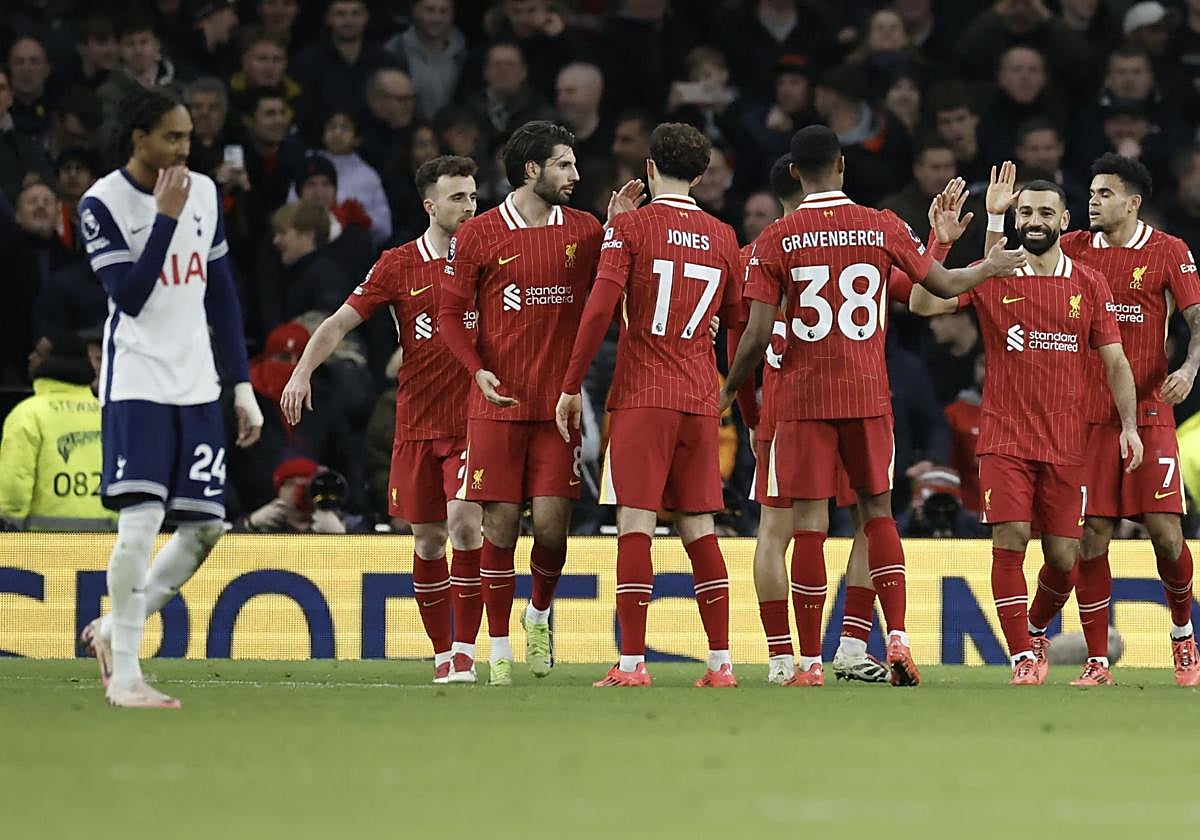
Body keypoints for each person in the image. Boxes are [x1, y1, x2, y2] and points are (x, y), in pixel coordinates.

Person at [720, 125, 1027, 687]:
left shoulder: (770, 243)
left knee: (800, 527)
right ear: (842, 164)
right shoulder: (880, 225)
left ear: (795, 173)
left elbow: (753, 334)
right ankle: (895, 635)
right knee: (877, 513)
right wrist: (985, 263)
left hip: (798, 401)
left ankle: (803, 661)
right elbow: (939, 291)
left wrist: (732, 397)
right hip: (865, 395)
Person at [76, 89, 263, 708]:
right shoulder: (101, 203)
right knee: (140, 523)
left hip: (197, 383)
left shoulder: (203, 192)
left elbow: (221, 294)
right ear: (139, 138)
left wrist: (241, 385)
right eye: (172, 137)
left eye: (188, 137)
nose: (185, 148)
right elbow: (128, 297)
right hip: (137, 381)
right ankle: (127, 673)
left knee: (206, 527)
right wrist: (163, 218)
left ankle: (110, 630)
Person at [436, 121, 641, 686]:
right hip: (497, 405)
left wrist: (619, 229)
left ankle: (539, 614)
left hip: (558, 408)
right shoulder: (479, 233)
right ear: (532, 170)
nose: (575, 174)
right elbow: (449, 315)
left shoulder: (585, 229)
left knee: (552, 529)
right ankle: (499, 648)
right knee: (499, 528)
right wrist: (476, 370)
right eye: (563, 164)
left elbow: (620, 278)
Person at [281, 155, 486, 684]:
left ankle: (466, 652)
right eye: (458, 197)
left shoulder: (489, 257)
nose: (469, 206)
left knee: (466, 526)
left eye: (472, 196)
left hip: (474, 420)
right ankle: (443, 654)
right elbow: (338, 323)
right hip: (416, 421)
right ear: (430, 205)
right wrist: (302, 372)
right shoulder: (397, 264)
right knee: (428, 541)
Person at [998, 155, 1200, 687]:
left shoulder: (1168, 251)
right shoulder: (1073, 249)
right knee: (1089, 540)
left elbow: (1196, 318)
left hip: (1149, 410)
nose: (1093, 201)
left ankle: (1183, 635)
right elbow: (1010, 268)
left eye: (1104, 194)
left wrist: (1189, 367)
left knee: (1166, 534)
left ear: (1133, 203)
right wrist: (998, 219)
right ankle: (1093, 659)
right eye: (1089, 193)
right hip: (1083, 418)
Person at [555, 122, 742, 688]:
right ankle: (721, 663)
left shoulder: (631, 227)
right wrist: (737, 394)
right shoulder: (724, 235)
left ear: (650, 167)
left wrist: (570, 383)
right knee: (700, 526)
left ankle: (633, 662)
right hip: (700, 396)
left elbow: (598, 311)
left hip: (643, 396)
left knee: (634, 523)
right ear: (701, 176)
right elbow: (737, 323)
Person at [973, 163, 1141, 685]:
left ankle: (1034, 630)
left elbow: (1115, 361)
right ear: (1015, 219)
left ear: (1065, 220)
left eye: (1045, 212)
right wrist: (963, 233)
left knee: (1066, 559)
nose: (1035, 221)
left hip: (1067, 442)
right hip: (1004, 436)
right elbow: (923, 301)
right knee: (1011, 537)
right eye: (1025, 212)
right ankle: (1022, 658)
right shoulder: (997, 273)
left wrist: (1130, 426)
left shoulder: (1089, 283)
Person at [0, 330, 115, 531]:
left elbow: (14, 484)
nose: (30, 357)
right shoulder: (108, 414)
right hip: (107, 542)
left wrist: (8, 526)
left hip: (44, 545)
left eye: (38, 353)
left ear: (51, 361)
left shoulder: (28, 414)